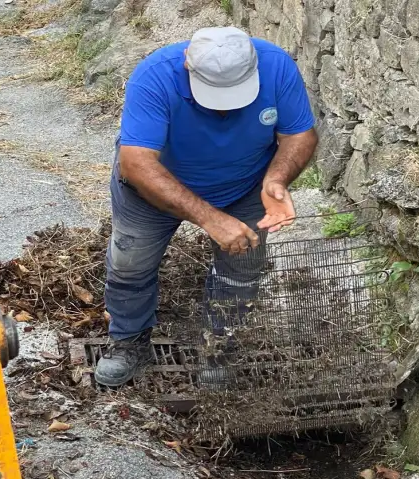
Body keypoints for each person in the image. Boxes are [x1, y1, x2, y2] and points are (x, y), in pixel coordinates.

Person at [95, 26, 318, 387]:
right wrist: (210, 219)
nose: (225, 106)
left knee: (242, 268)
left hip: (244, 185)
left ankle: (219, 349)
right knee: (130, 264)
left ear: (253, 67)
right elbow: (136, 163)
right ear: (188, 63)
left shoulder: (276, 66)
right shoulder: (154, 76)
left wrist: (275, 180)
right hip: (154, 188)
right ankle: (129, 342)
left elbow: (298, 134)